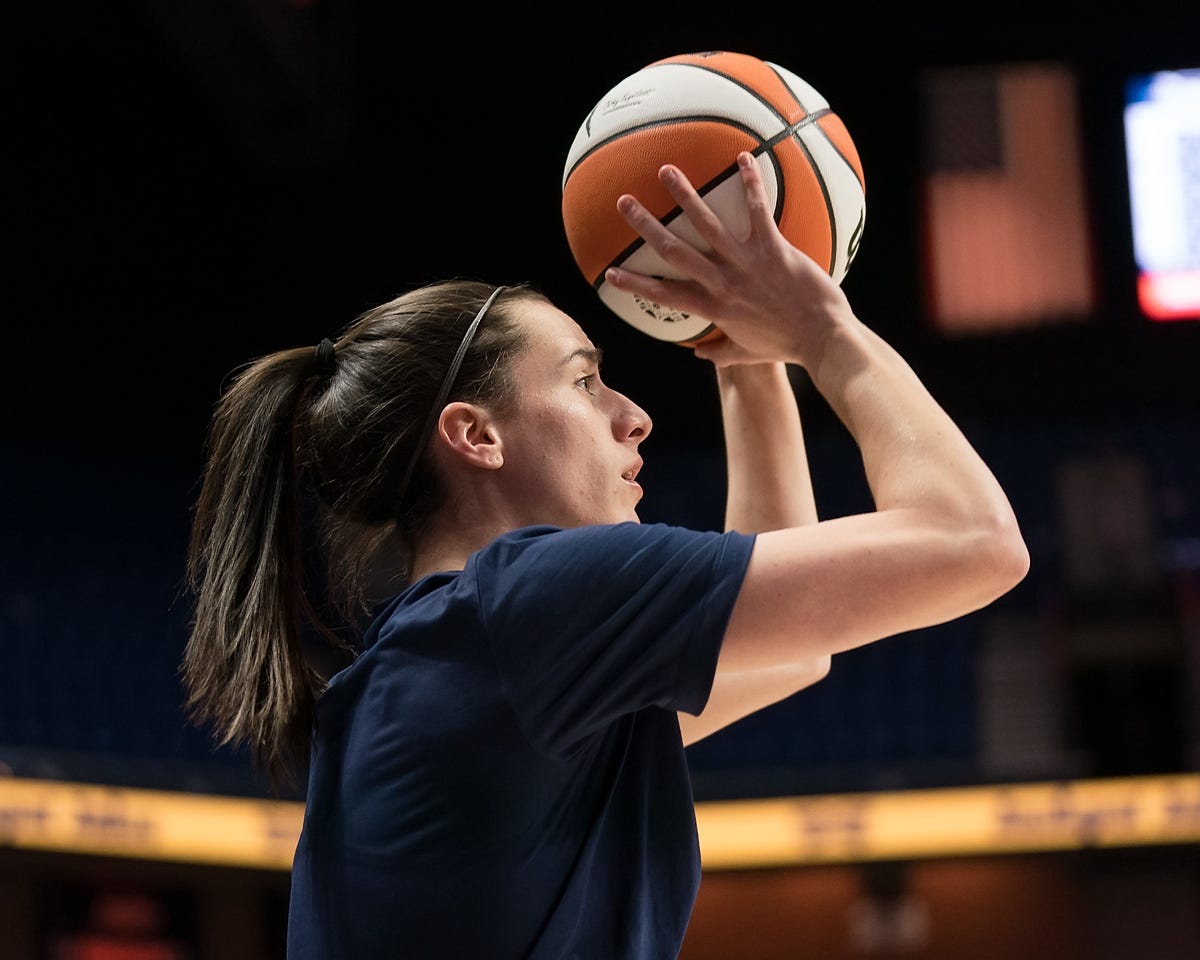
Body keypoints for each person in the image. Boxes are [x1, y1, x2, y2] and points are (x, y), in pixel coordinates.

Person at [182, 152, 1028, 959]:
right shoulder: (523, 601)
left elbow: (792, 654)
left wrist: (749, 359)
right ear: (476, 436)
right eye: (585, 381)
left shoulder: (474, 650)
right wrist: (821, 328)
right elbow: (973, 541)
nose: (633, 416)